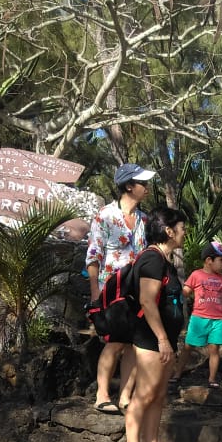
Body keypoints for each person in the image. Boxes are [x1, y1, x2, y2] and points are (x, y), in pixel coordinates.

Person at [85, 162, 155, 414]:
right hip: (111, 289)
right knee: (114, 342)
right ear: (128, 186)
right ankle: (102, 394)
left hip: (136, 290)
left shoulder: (144, 220)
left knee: (133, 344)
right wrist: (95, 292)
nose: (146, 188)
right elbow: (94, 254)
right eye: (142, 183)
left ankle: (125, 396)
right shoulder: (105, 215)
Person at [122, 206, 186, 442]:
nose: (184, 233)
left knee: (158, 396)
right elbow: (147, 301)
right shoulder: (152, 259)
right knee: (144, 395)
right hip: (151, 339)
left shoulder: (165, 260)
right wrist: (161, 338)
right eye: (182, 228)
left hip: (165, 338)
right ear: (169, 231)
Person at [176, 240, 222, 388]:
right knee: (188, 347)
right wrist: (175, 294)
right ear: (209, 260)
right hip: (198, 318)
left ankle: (212, 379)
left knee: (214, 349)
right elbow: (186, 291)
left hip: (217, 321)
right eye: (221, 260)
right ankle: (177, 373)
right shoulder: (196, 275)